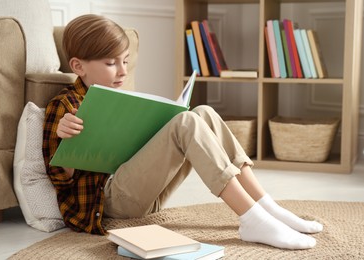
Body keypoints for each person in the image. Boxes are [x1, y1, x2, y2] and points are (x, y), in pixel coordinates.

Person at [43, 14, 323, 250]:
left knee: (204, 113)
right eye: (111, 63)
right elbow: (61, 181)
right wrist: (64, 138)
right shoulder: (65, 107)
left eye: (125, 61)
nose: (122, 71)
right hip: (106, 203)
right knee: (186, 123)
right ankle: (252, 219)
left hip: (143, 193)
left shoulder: (118, 97)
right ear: (79, 66)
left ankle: (267, 207)